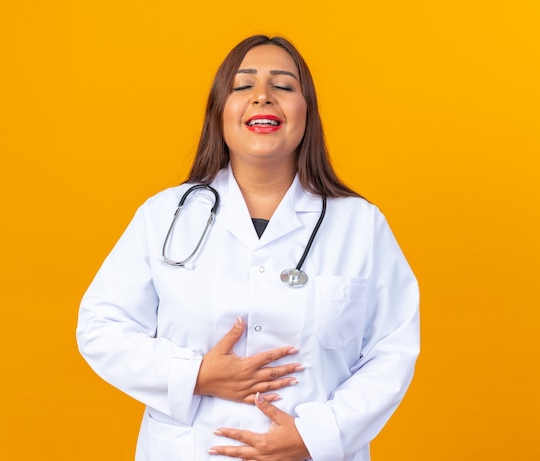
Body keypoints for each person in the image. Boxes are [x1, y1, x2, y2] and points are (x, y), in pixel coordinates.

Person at [77, 35, 420, 461]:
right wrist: (194, 375)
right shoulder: (164, 216)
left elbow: (392, 349)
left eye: (283, 86)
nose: (263, 97)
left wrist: (317, 436)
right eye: (243, 86)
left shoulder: (360, 225)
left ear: (306, 113)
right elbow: (100, 326)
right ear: (219, 112)